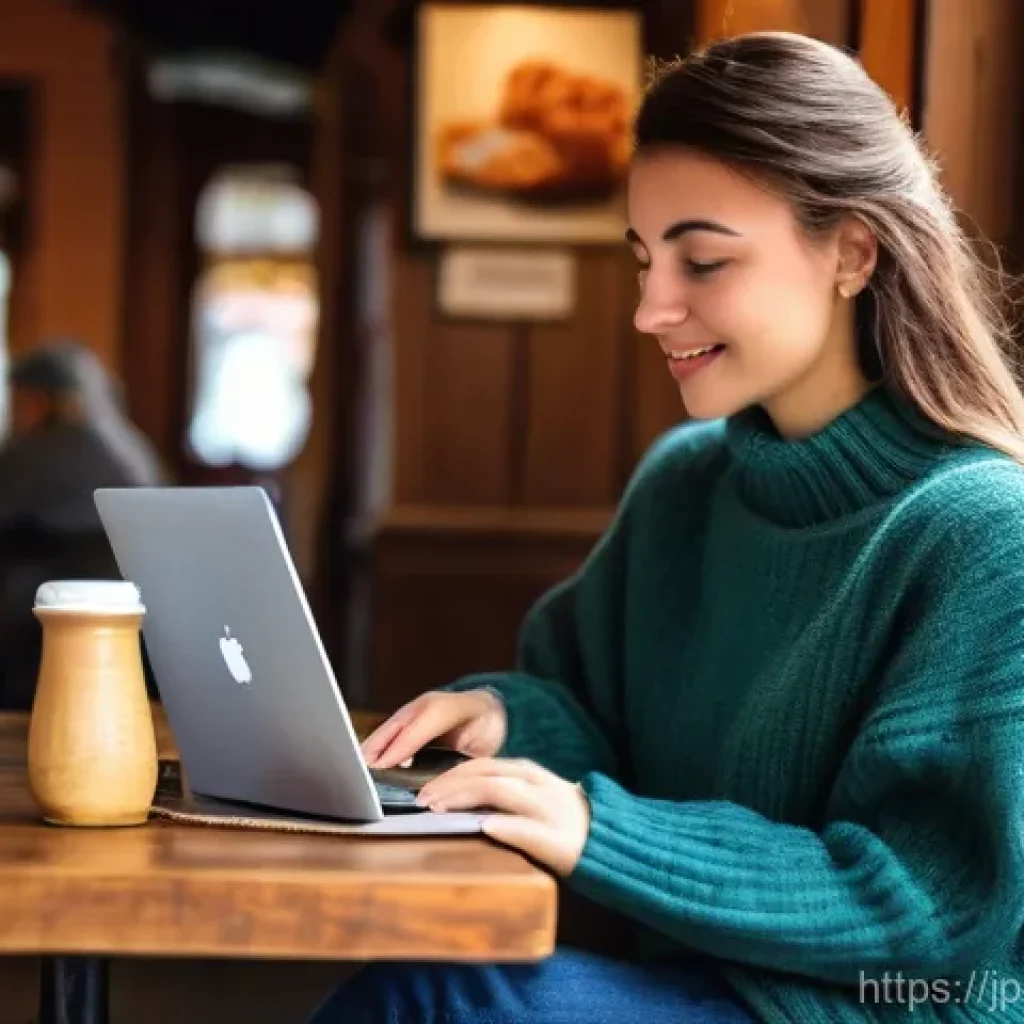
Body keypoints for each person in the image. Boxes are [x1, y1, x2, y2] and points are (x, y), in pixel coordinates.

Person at [310, 32, 1024, 1024]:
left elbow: (931, 903)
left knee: (436, 994)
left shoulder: (984, 534)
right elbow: (605, 721)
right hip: (696, 979)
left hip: (866, 1010)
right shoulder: (684, 483)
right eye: (645, 259)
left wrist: (601, 831)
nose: (652, 307)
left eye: (703, 259)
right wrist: (512, 721)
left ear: (852, 252)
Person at [0, 340, 163, 708]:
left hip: (51, 611)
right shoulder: (127, 442)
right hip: (130, 609)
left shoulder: (41, 449)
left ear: (44, 398)